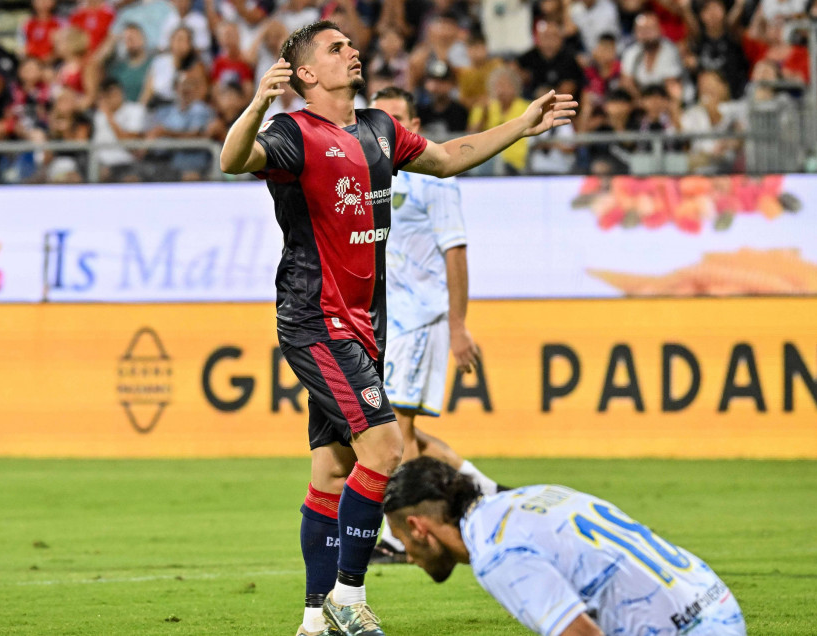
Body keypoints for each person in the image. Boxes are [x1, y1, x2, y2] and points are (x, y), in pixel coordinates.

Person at [219, 20, 575, 636]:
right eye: (335, 49)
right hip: (315, 317)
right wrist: (257, 102)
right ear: (305, 74)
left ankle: (311, 619)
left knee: (332, 469)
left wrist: (523, 125)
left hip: (363, 322)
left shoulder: (379, 129)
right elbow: (232, 159)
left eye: (350, 44)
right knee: (385, 448)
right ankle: (348, 598)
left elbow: (446, 158)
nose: (351, 51)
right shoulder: (292, 132)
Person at [366, 86, 503, 565]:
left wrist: (459, 326)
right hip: (387, 320)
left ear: (414, 127)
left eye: (397, 119)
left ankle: (398, 536)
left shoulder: (435, 181)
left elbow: (456, 252)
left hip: (421, 318)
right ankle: (489, 492)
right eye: (378, 119)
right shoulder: (368, 175)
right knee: (406, 433)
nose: (386, 128)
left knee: (394, 426)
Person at [383, 457, 748, 636]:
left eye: (401, 542)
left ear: (418, 528)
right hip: (718, 605)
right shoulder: (533, 494)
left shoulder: (496, 553)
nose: (409, 557)